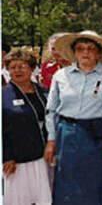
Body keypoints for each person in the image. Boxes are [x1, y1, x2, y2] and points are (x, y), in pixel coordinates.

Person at [44, 30, 102, 204]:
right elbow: (51, 109)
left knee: (97, 182)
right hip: (67, 133)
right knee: (67, 181)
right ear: (74, 52)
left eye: (91, 48)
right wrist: (51, 140)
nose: (85, 53)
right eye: (80, 48)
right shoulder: (61, 75)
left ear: (98, 53)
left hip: (98, 136)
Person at [2, 50, 52, 205]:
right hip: (17, 160)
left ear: (31, 69)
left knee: (43, 199)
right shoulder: (4, 96)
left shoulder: (44, 92)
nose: (17, 71)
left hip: (44, 157)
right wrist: (7, 156)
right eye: (12, 67)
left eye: (22, 66)